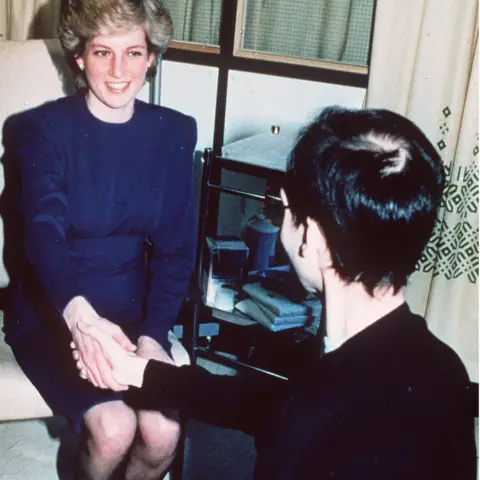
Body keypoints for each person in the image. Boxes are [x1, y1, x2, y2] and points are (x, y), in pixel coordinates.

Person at [77, 107, 476, 479]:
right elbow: (268, 403)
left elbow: (295, 414)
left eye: (283, 211)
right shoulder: (443, 369)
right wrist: (135, 370)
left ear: (312, 238)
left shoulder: (311, 421)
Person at [2, 1, 197, 479]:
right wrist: (80, 321)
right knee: (112, 428)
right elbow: (42, 234)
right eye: (102, 52)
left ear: (151, 57)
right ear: (79, 58)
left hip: (133, 308)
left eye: (133, 53)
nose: (118, 70)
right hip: (54, 305)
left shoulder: (173, 132)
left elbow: (177, 250)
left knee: (163, 433)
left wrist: (153, 336)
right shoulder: (37, 131)